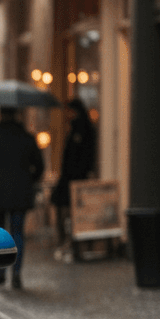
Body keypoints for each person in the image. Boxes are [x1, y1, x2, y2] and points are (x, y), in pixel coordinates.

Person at [0, 106, 44, 290]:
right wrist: (29, 180)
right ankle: (16, 274)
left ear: (0, 115)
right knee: (18, 233)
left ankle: (0, 273)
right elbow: (39, 165)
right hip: (20, 194)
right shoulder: (26, 137)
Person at [50, 98, 97, 256]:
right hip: (70, 177)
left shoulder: (82, 130)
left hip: (74, 178)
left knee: (72, 212)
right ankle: (69, 242)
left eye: (70, 111)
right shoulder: (76, 129)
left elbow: (83, 157)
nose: (68, 115)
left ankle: (71, 242)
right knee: (65, 210)